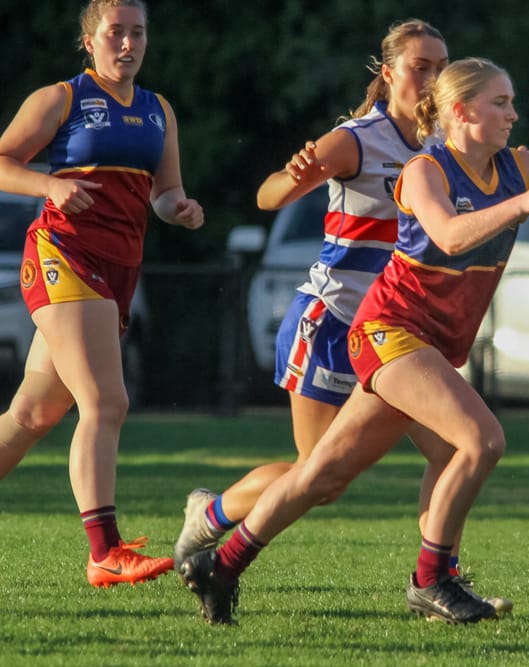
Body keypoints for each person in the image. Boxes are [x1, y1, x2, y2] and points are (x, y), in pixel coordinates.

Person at [176, 56, 529, 625]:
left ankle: (224, 565)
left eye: (511, 102)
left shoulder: (521, 166)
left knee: (322, 475)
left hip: (428, 345)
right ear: (460, 111)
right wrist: (521, 205)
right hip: (389, 330)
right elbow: (450, 235)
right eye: (500, 103)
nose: (514, 113)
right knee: (480, 440)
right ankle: (432, 580)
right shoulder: (424, 169)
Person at [171, 18, 510, 613]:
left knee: (452, 449)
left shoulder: (444, 146)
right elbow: (268, 195)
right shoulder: (359, 138)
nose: (431, 77)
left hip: (401, 334)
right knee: (318, 478)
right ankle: (215, 512)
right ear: (389, 74)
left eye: (440, 66)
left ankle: (437, 578)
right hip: (333, 322)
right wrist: (296, 172)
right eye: (419, 66)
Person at [0, 0, 202, 587]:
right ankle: (105, 550)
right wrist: (47, 185)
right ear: (89, 41)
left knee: (33, 414)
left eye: (138, 33)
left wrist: (179, 210)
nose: (128, 44)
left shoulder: (158, 110)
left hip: (118, 270)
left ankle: (105, 548)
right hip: (64, 255)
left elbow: (166, 192)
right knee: (107, 403)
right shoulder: (61, 98)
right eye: (115, 32)